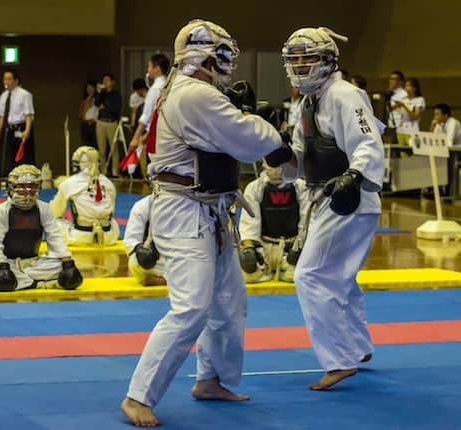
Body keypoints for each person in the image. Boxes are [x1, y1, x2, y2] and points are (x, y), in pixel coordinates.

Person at [120, 19, 284, 427]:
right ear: (205, 56)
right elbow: (250, 138)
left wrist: (245, 115)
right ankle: (138, 396)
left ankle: (211, 379)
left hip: (210, 208)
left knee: (228, 301)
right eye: (222, 54)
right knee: (191, 308)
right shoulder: (195, 95)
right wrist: (265, 125)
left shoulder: (184, 89)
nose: (227, 63)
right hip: (184, 211)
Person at [274, 26, 384, 391]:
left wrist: (354, 176)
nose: (300, 65)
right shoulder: (308, 102)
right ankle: (358, 347)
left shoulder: (345, 94)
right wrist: (273, 148)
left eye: (307, 57)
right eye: (295, 59)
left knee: (311, 275)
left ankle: (338, 359)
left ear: (327, 60)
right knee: (339, 278)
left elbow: (368, 142)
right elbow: (300, 160)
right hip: (324, 195)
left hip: (351, 196)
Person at [0, 164, 83, 291]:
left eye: (32, 187)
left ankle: (22, 282)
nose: (27, 192)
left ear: (38, 188)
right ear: (11, 188)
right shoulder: (1, 211)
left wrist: (67, 261)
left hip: (33, 263)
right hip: (8, 263)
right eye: (22, 187)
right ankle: (38, 283)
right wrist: (2, 265)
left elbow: (55, 236)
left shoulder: (43, 209)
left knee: (63, 265)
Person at [238, 162, 308, 283]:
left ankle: (291, 263)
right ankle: (263, 265)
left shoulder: (301, 187)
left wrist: (300, 247)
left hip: (291, 247)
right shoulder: (254, 188)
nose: (275, 167)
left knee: (297, 275)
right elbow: (249, 225)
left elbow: (306, 223)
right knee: (249, 271)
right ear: (263, 163)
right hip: (265, 248)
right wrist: (249, 250)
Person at [49, 146, 119, 245]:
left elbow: (55, 212)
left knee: (54, 221)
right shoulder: (109, 183)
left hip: (80, 236)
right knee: (113, 222)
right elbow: (112, 211)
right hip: (108, 237)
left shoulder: (70, 183)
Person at [0, 69, 36, 176]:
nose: (6, 81)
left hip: (22, 128)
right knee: (10, 157)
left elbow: (28, 114)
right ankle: (12, 178)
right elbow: (2, 116)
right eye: (4, 79)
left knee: (25, 157)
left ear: (16, 81)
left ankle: (27, 179)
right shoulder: (4, 95)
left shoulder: (25, 94)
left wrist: (27, 131)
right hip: (10, 129)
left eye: (9, 79)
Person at [123, 194, 166, 286]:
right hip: (153, 262)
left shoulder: (188, 207)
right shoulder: (143, 206)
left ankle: (164, 281)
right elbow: (130, 239)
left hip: (179, 262)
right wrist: (139, 249)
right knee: (135, 261)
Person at [94, 73, 122, 177]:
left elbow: (115, 109)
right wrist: (100, 93)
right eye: (104, 80)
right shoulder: (102, 93)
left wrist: (105, 105)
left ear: (112, 82)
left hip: (111, 122)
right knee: (101, 150)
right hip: (100, 122)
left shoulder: (116, 95)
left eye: (107, 80)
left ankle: (115, 171)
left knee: (114, 149)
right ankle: (104, 171)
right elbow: (96, 103)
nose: (105, 82)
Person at [392, 77, 425, 144]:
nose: (406, 88)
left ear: (415, 88)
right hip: (400, 130)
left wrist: (404, 106)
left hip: (412, 130)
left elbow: (416, 116)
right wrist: (396, 105)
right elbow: (391, 109)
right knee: (400, 150)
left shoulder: (419, 100)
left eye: (409, 86)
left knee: (411, 148)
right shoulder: (403, 99)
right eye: (406, 86)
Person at [79, 80, 98, 148]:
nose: (89, 89)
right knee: (86, 145)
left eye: (91, 87)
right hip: (86, 125)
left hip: (95, 125)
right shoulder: (84, 101)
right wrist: (86, 107)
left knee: (95, 145)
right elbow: (81, 115)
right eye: (88, 87)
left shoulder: (98, 99)